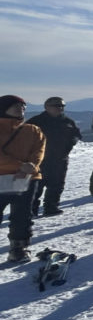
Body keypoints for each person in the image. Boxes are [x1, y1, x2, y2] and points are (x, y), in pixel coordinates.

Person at [1, 96, 45, 261]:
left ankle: (19, 248)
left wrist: (31, 166)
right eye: (16, 106)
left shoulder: (33, 129)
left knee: (23, 216)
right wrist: (21, 165)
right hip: (5, 176)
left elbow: (39, 150)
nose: (21, 109)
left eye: (23, 106)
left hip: (27, 178)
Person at [27, 96, 81, 217]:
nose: (60, 108)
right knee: (36, 185)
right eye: (56, 106)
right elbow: (23, 138)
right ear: (47, 107)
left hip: (60, 159)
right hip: (40, 160)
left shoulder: (68, 121)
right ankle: (31, 209)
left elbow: (76, 134)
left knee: (57, 184)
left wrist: (72, 141)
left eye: (62, 106)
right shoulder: (36, 121)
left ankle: (51, 207)